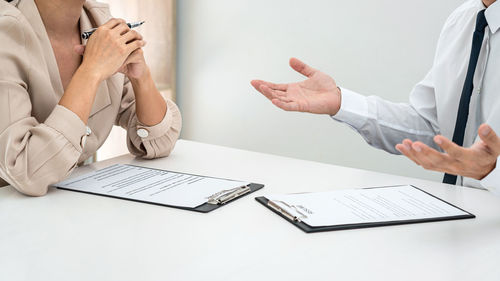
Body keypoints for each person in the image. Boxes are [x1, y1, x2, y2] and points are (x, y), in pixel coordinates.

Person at [252, 0, 500, 193]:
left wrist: (491, 171)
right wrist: (341, 103)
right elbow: (433, 128)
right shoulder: (462, 20)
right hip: (462, 222)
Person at [0, 0, 182, 196]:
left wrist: (141, 77)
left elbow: (159, 141)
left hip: (70, 208)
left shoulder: (99, 21)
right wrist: (91, 72)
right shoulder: (6, 32)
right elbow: (27, 172)